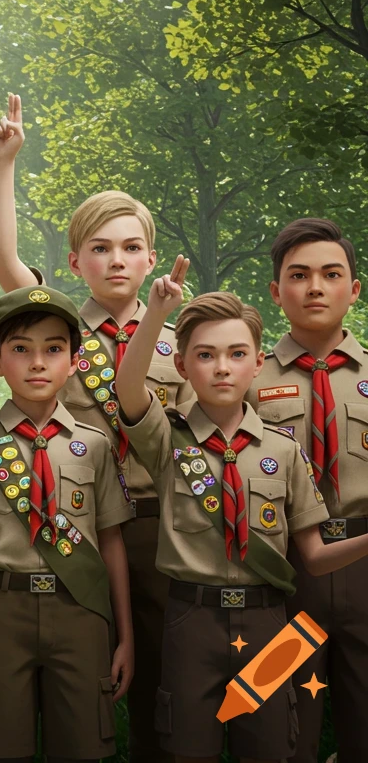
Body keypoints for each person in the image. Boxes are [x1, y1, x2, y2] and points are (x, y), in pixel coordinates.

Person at [0, 92, 189, 762]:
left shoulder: (179, 339)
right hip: (75, 523)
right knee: (79, 677)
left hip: (159, 520)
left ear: (151, 257)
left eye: (131, 247)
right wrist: (5, 166)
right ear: (75, 264)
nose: (117, 260)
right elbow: (4, 264)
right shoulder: (59, 329)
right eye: (100, 248)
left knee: (160, 669)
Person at [117, 256, 368, 763]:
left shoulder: (282, 450)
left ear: (257, 365)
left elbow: (315, 557)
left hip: (268, 623)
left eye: (236, 354)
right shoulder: (168, 440)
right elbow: (127, 388)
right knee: (187, 747)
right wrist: (157, 312)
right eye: (206, 355)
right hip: (190, 620)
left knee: (271, 747)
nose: (222, 367)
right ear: (183, 366)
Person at [0, 270, 134, 762]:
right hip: (1, 609)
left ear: (75, 362)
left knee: (82, 748)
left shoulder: (94, 446)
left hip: (79, 611)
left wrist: (125, 636)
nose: (38, 362)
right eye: (20, 349)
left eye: (54, 349)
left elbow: (112, 542)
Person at [244, 218, 367, 763]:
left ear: (354, 289)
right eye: (298, 275)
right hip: (285, 574)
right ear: (275, 291)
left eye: (330, 273)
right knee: (286, 728)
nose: (314, 286)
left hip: (365, 564)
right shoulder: (245, 380)